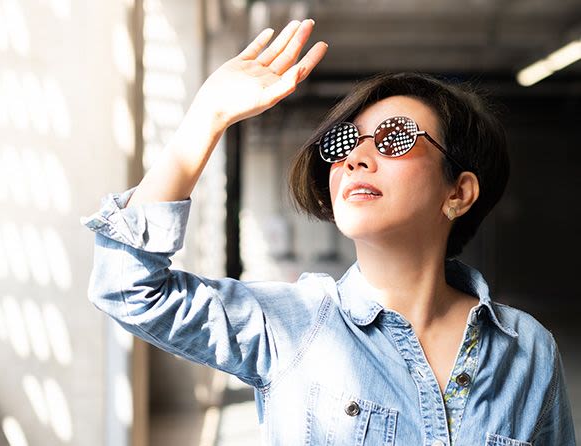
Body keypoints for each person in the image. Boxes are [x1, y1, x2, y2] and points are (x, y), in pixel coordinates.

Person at [82, 19, 576, 445]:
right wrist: (207, 117)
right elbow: (127, 286)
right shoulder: (291, 326)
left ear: (459, 192)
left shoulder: (527, 351)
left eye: (394, 138)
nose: (356, 157)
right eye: (345, 141)